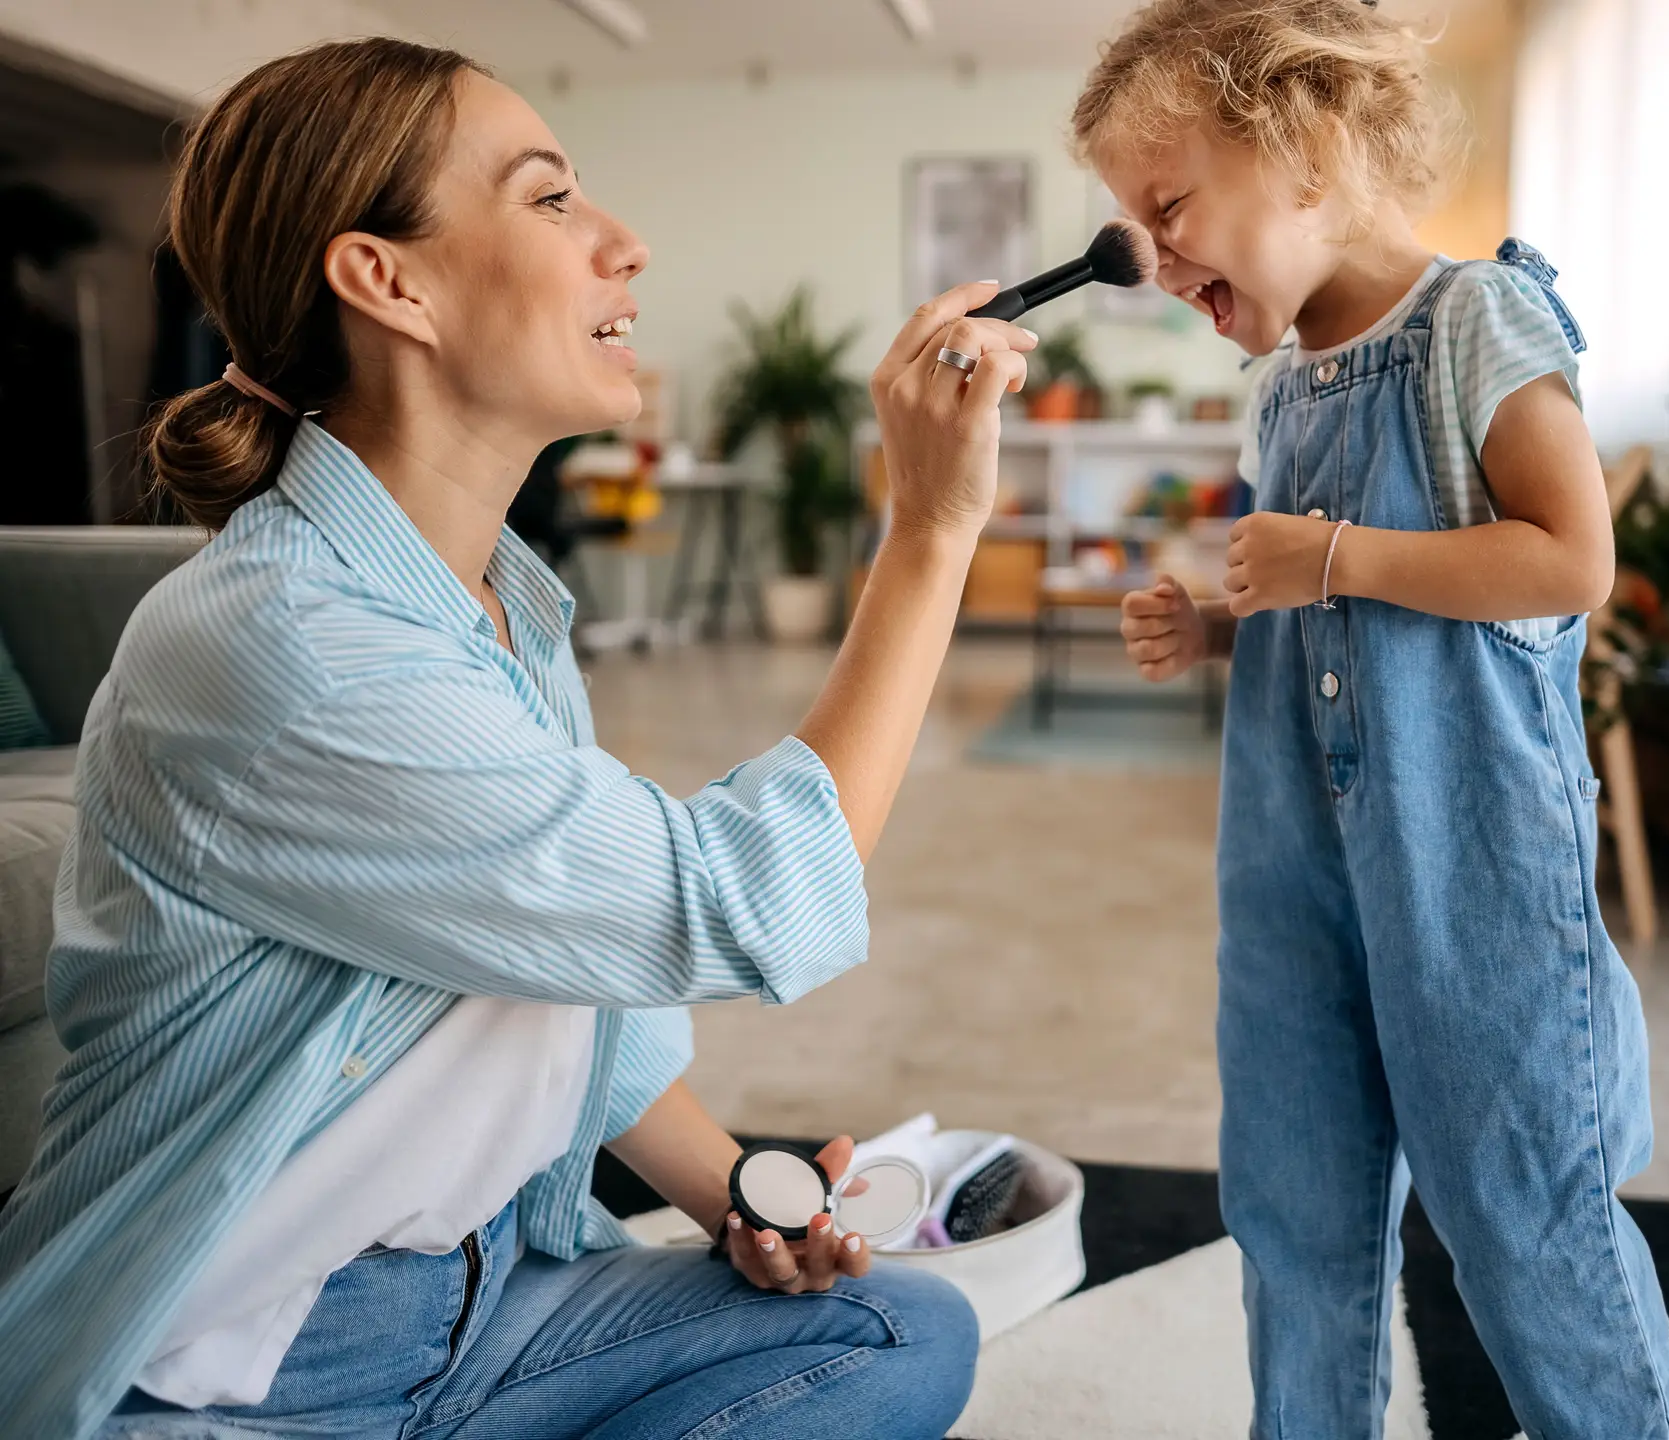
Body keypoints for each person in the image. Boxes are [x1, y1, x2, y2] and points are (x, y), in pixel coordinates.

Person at [0, 37, 1035, 1440]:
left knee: (890, 1330)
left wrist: (740, 1196)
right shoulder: (292, 647)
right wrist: (929, 532)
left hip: (480, 1299)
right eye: (551, 201)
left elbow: (565, 999)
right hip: (245, 1369)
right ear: (389, 279)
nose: (626, 244)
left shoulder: (496, 610)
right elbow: (733, 906)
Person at [1081, 3, 1669, 1437]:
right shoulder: (1276, 394)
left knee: (1526, 1219)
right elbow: (1319, 615)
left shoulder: (1478, 321)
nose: (1152, 264)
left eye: (1170, 212)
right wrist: (1224, 615)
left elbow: (1570, 560)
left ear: (1307, 147)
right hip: (1290, 879)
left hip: (1468, 875)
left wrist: (1333, 557)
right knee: (1294, 1216)